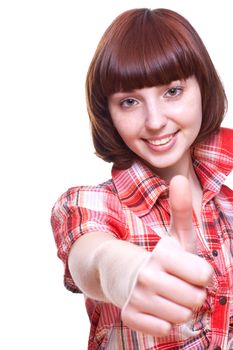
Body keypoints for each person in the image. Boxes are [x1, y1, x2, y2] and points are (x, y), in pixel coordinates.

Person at [51, 8, 233, 349]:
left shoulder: (227, 204)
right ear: (109, 113)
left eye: (172, 92)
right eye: (130, 101)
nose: (154, 121)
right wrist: (126, 272)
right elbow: (93, 258)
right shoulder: (93, 203)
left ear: (203, 89)